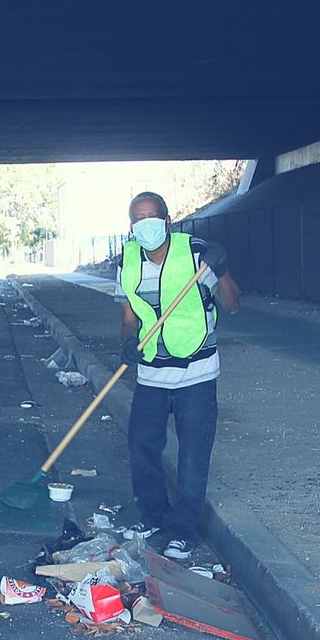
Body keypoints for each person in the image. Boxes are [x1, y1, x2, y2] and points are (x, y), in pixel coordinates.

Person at [116, 192, 240, 561]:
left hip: (197, 375)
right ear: (132, 226)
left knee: (193, 455)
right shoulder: (127, 262)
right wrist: (127, 344)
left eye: (153, 217)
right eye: (139, 219)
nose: (147, 225)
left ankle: (183, 530)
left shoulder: (198, 254)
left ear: (168, 221)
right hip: (152, 375)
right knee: (142, 447)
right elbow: (128, 320)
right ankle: (153, 515)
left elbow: (233, 304)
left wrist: (221, 268)